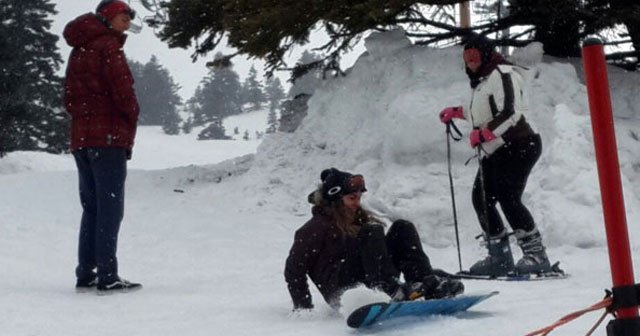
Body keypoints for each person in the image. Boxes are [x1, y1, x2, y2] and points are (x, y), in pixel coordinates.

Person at [438, 34, 551, 277]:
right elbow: (483, 112)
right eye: (467, 58)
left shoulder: (503, 73)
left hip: (521, 143)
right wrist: (457, 112)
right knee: (481, 197)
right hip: (498, 148)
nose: (470, 62)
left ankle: (537, 255)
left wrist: (486, 133)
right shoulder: (483, 80)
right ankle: (499, 256)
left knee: (508, 197)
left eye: (475, 56)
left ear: (486, 55)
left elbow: (510, 112)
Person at [284, 168, 464, 310]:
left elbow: (376, 255)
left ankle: (424, 282)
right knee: (372, 231)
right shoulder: (315, 228)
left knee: (402, 227)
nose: (357, 202)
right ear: (336, 200)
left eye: (359, 197)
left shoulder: (356, 219)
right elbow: (293, 269)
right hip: (343, 291)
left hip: (368, 276)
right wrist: (303, 307)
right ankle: (389, 289)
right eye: (352, 198)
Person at [63, 0, 142, 293]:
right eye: (124, 17)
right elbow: (123, 93)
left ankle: (86, 272)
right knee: (110, 209)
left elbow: (70, 97)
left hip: (82, 139)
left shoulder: (79, 49)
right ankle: (108, 275)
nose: (128, 23)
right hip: (107, 138)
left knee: (93, 207)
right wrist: (132, 112)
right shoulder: (109, 47)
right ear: (108, 18)